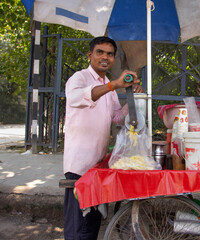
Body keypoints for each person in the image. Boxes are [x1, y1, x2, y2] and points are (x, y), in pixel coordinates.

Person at [63, 36, 143, 240]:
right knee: (78, 227)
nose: (105, 57)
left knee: (91, 225)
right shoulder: (79, 78)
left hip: (98, 165)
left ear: (114, 58)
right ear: (90, 54)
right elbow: (74, 99)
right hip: (79, 166)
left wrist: (133, 98)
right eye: (100, 52)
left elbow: (117, 117)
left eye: (109, 54)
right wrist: (114, 85)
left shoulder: (109, 85)